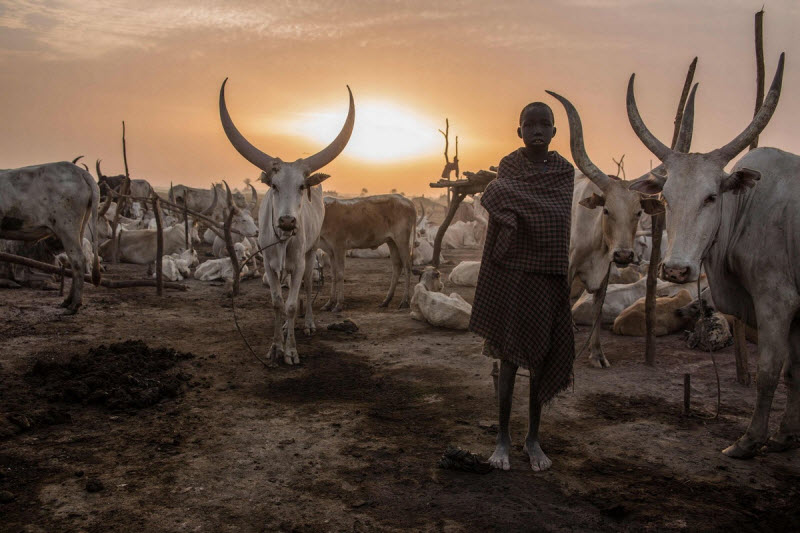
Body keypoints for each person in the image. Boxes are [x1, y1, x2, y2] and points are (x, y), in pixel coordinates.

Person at [469, 102, 575, 472]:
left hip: (546, 276)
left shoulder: (563, 172)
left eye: (544, 124)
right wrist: (521, 204)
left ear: (554, 131)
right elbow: (500, 198)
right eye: (530, 124)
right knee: (509, 360)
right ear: (519, 131)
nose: (537, 130)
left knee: (540, 361)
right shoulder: (509, 167)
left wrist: (522, 207)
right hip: (512, 274)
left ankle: (533, 438)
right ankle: (502, 438)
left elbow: (556, 217)